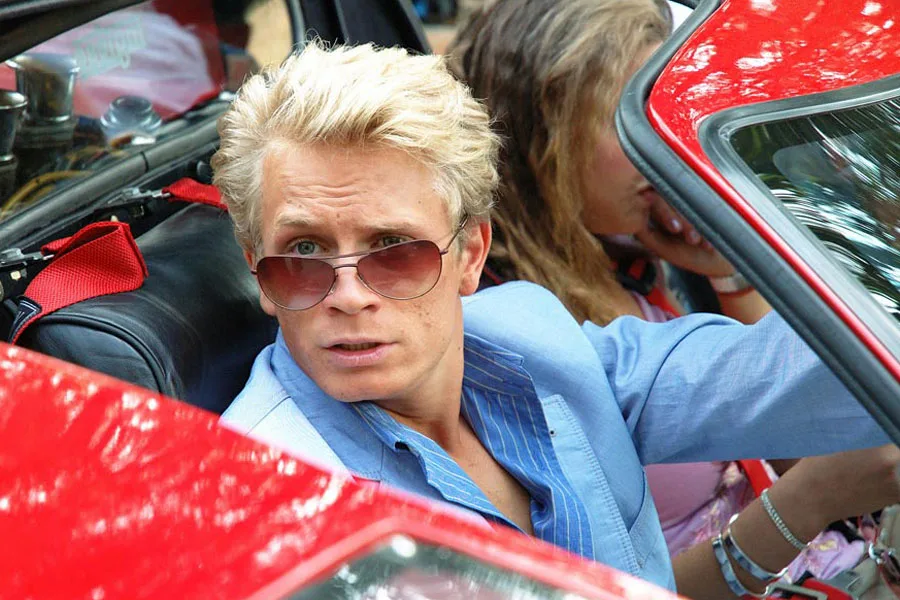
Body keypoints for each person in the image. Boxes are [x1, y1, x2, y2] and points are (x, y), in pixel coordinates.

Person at [212, 41, 899, 599]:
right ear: (256, 270)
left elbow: (778, 375)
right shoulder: (268, 502)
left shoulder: (527, 330)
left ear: (470, 255)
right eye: (303, 253)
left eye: (394, 249)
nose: (348, 294)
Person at [448, 0, 888, 593]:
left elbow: (783, 428)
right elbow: (594, 590)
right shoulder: (506, 347)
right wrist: (810, 502)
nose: (657, 137)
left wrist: (729, 275)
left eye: (659, 107)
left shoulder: (632, 259)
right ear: (539, 134)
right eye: (623, 116)